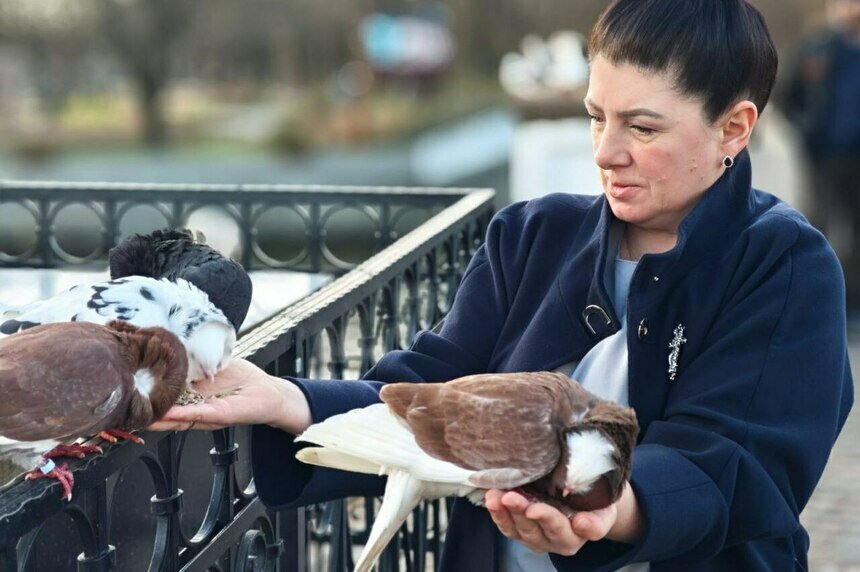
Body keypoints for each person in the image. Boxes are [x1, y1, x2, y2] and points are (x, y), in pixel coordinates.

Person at [151, 0, 854, 570]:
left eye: (642, 126)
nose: (606, 153)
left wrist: (609, 510)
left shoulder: (787, 267)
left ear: (734, 127)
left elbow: (736, 467)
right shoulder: (530, 235)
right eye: (595, 116)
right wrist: (286, 398)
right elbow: (433, 390)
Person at [776, 0, 860, 308]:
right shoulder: (817, 48)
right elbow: (786, 94)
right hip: (824, 158)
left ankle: (851, 304)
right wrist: (806, 130)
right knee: (817, 227)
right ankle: (811, 297)